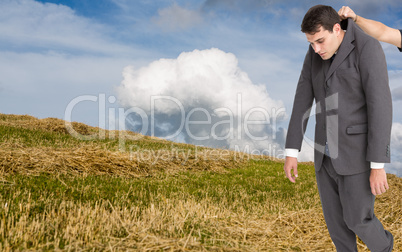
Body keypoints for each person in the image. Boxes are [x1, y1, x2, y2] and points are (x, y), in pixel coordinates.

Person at [283, 5, 394, 252]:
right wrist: (292, 151)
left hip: (357, 156)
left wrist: (378, 165)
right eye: (311, 43)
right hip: (324, 157)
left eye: (320, 41)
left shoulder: (367, 48)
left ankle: (385, 248)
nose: (316, 49)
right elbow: (302, 98)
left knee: (358, 221)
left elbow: (381, 107)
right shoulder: (314, 52)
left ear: (337, 29)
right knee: (337, 228)